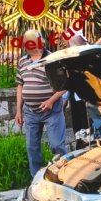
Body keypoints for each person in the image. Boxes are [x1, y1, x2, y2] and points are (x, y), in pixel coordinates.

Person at [15, 30, 67, 177]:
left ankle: (63, 176)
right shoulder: (22, 61)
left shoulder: (52, 59)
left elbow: (64, 85)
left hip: (52, 111)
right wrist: (18, 110)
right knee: (32, 148)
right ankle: (36, 179)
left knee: (57, 145)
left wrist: (51, 101)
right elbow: (20, 85)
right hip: (30, 112)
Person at [66, 34, 91, 149]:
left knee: (85, 121)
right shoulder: (69, 60)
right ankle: (79, 143)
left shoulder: (86, 59)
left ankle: (86, 144)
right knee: (77, 120)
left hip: (86, 95)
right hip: (75, 95)